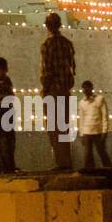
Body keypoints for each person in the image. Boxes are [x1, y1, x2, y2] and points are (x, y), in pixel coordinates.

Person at [39, 12, 76, 171]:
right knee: (64, 127)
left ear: (48, 26)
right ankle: (66, 161)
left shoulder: (47, 45)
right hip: (65, 90)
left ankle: (61, 163)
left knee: (54, 128)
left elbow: (47, 70)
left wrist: (45, 89)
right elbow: (72, 68)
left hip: (53, 91)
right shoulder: (67, 43)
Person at [0, 57, 18, 175]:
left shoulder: (4, 83)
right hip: (0, 114)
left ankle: (9, 165)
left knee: (9, 140)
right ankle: (5, 166)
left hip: (6, 113)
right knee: (3, 141)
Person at [77, 81, 112, 169]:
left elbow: (105, 116)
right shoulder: (81, 103)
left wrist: (105, 131)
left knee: (102, 152)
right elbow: (81, 119)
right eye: (84, 88)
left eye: (87, 88)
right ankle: (90, 174)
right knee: (88, 155)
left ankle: (109, 171)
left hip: (98, 132)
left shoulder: (100, 99)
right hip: (86, 132)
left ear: (91, 88)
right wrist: (81, 134)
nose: (86, 90)